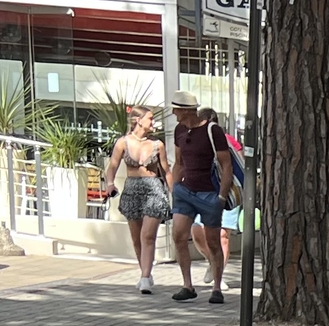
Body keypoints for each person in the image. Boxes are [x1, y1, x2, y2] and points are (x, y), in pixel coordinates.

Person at [167, 93, 234, 303]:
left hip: (209, 193)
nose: (173, 112)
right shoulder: (179, 130)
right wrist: (174, 188)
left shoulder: (212, 130)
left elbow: (226, 164)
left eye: (176, 109)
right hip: (185, 192)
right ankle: (187, 285)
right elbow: (179, 162)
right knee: (178, 235)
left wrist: (221, 197)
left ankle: (216, 287)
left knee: (213, 242)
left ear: (186, 110)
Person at [99, 105, 170, 293]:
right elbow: (112, 167)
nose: (153, 122)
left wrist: (174, 193)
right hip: (131, 189)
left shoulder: (158, 144)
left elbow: (166, 171)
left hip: (153, 188)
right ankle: (144, 272)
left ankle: (145, 277)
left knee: (148, 235)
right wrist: (110, 184)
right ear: (138, 120)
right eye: (150, 118)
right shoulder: (123, 143)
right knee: (137, 238)